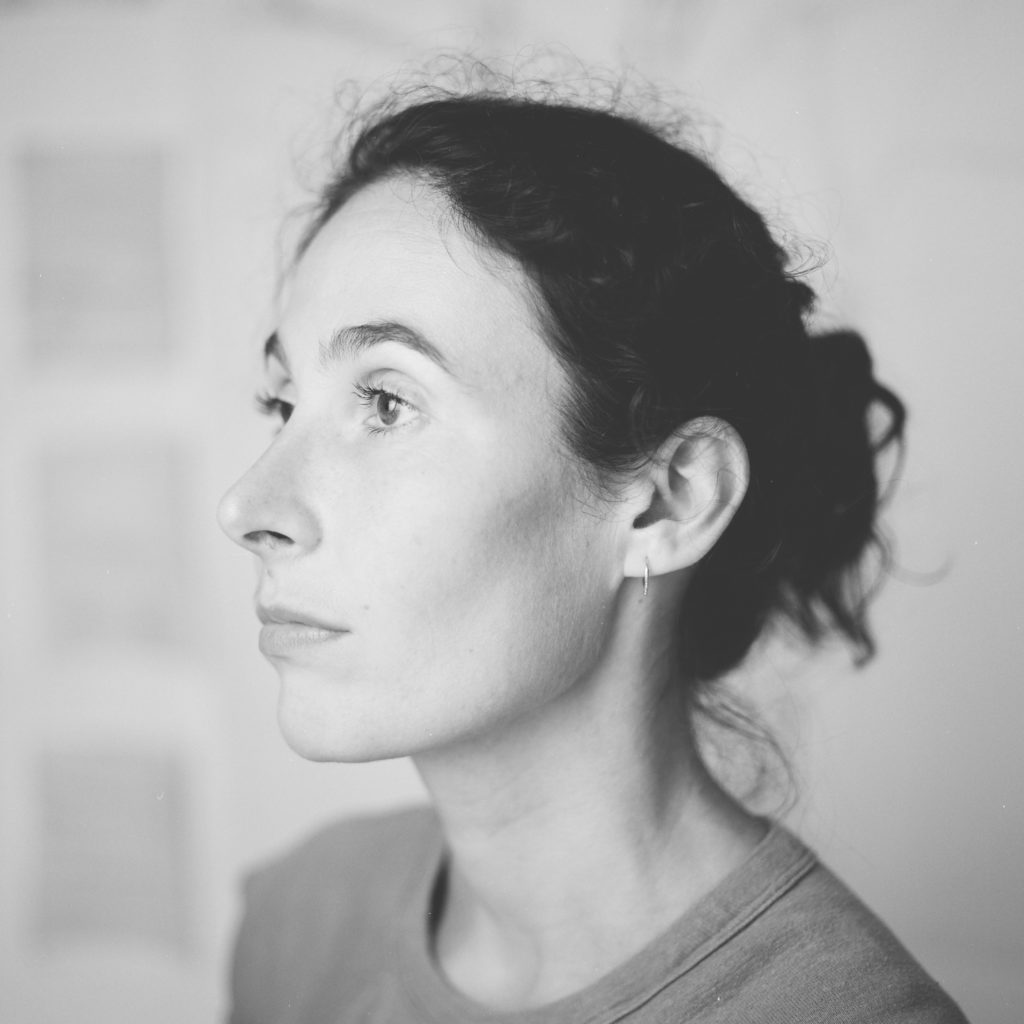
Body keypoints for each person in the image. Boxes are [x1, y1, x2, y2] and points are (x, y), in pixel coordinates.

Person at [217, 69, 969, 1023]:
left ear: (668, 503)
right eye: (282, 403)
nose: (247, 507)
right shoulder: (296, 923)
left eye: (388, 402)